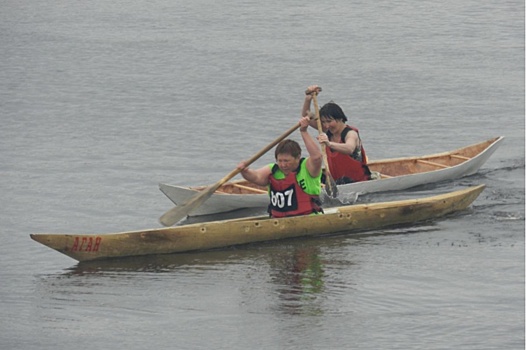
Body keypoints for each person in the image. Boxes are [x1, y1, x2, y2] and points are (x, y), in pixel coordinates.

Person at [237, 116, 323, 218]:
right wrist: (244, 171)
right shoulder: (273, 169)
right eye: (280, 161)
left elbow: (317, 157)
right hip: (278, 221)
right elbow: (256, 177)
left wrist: (303, 131)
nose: (282, 165)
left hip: (308, 218)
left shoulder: (307, 168)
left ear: (297, 158)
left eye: (286, 161)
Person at [302, 85, 371, 184]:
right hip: (337, 182)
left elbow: (349, 148)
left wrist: (329, 144)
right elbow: (306, 116)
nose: (326, 125)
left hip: (357, 182)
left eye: (329, 121)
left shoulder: (351, 134)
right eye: (324, 122)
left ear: (340, 118)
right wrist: (308, 99)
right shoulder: (327, 131)